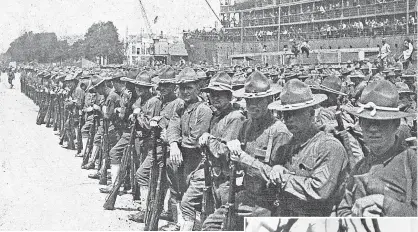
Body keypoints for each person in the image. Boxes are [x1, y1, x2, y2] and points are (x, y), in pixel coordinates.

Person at [202, 71, 291, 231]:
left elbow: (279, 177)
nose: (253, 106)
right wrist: (231, 150)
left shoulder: (279, 132)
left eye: (259, 101)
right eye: (249, 101)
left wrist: (244, 158)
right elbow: (232, 161)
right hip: (246, 196)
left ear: (269, 100)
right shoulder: (246, 126)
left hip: (268, 202)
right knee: (210, 225)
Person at [264, 79, 348, 217]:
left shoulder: (328, 147)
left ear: (311, 113)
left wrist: (283, 178)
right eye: (285, 114)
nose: (288, 119)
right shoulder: (289, 145)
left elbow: (319, 191)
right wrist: (277, 169)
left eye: (295, 113)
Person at [176, 71, 246, 230]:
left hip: (228, 179)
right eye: (212, 94)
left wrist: (208, 139)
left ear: (229, 96)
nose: (215, 97)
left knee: (225, 222)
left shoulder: (235, 117)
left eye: (220, 94)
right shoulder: (216, 115)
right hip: (214, 176)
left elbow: (223, 150)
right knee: (212, 218)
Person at [337, 80, 417, 217]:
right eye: (367, 122)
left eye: (380, 123)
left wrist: (385, 203)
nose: (373, 129)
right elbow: (342, 211)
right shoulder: (359, 167)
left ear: (396, 124)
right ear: (360, 125)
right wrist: (357, 216)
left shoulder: (411, 162)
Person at [165, 67, 213, 230]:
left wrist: (176, 143)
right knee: (182, 197)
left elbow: (194, 141)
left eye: (189, 87)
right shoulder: (180, 108)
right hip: (185, 163)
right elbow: (173, 126)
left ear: (198, 88)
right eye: (182, 88)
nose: (185, 91)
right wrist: (173, 144)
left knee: (192, 204)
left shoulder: (203, 110)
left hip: (199, 164)